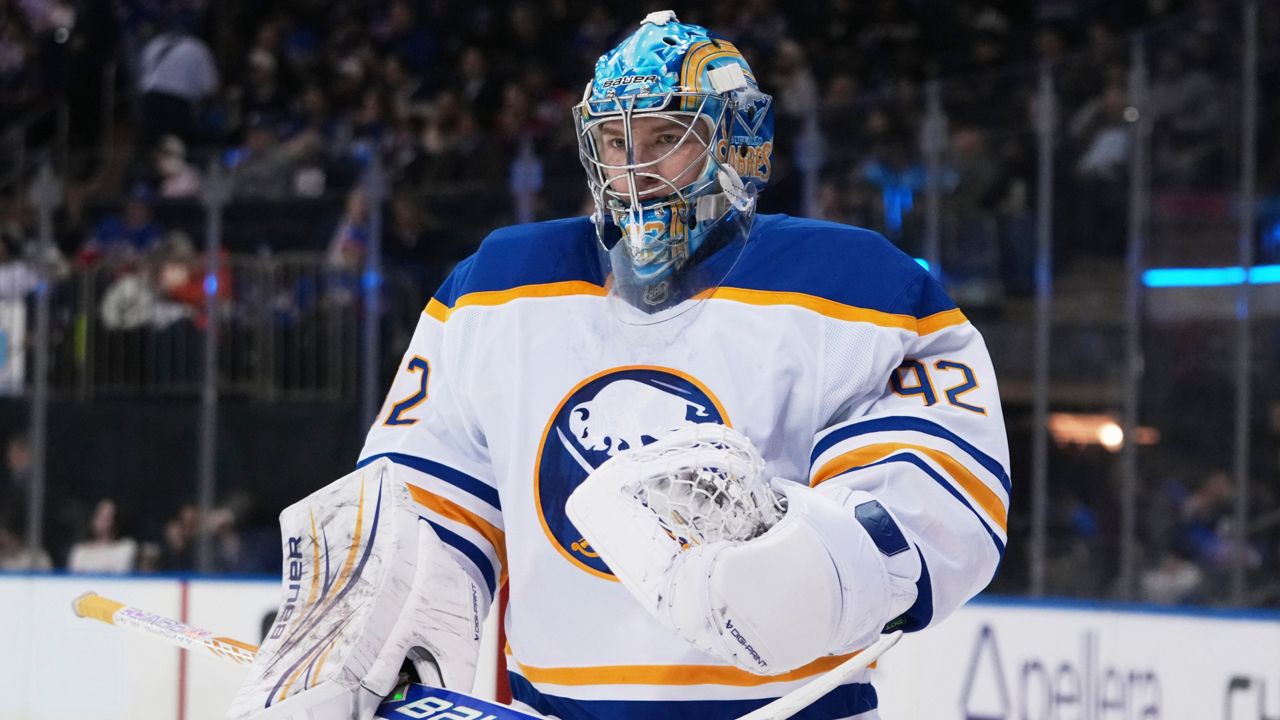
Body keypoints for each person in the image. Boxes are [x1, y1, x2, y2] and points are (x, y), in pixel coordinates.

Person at [231, 12, 1009, 720]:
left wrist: (820, 569)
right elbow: (417, 513)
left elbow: (936, 499)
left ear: (738, 142)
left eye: (666, 136)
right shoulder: (496, 291)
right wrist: (357, 638)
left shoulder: (854, 287)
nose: (633, 171)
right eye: (613, 141)